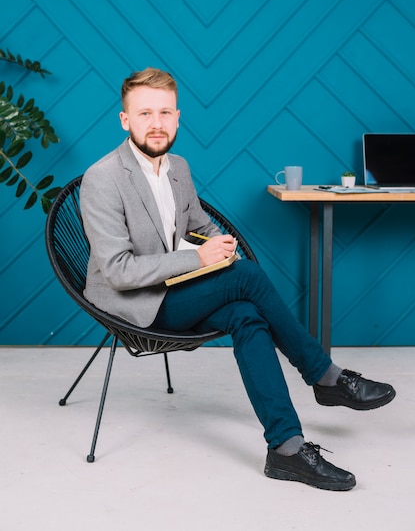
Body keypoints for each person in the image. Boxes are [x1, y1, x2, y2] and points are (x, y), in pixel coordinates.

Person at [80, 67, 396, 491]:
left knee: (246, 313)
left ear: (178, 117)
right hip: (138, 303)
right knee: (246, 276)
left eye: (164, 113)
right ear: (125, 120)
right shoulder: (103, 178)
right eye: (144, 114)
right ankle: (325, 377)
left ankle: (285, 449)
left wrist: (218, 244)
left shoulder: (177, 167)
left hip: (174, 290)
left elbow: (199, 224)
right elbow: (119, 271)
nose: (156, 124)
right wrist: (196, 261)